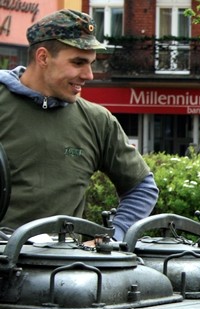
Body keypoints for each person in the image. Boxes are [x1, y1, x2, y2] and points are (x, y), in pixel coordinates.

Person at [0, 9, 158, 240]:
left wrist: (113, 237)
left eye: (91, 63)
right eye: (78, 62)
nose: (89, 75)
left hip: (66, 261)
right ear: (43, 58)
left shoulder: (97, 120)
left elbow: (142, 187)